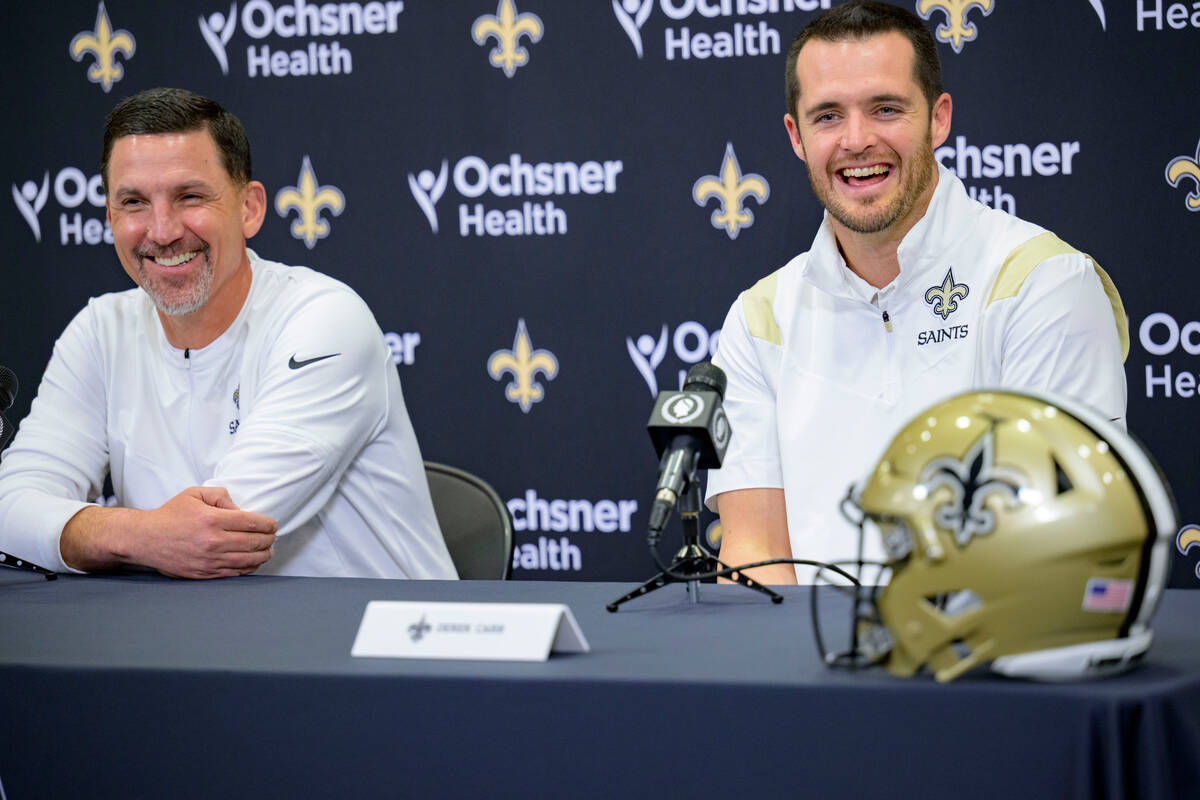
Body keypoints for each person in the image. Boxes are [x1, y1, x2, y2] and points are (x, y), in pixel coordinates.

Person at [705, 2, 1127, 584]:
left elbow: (1062, 543)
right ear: (796, 137)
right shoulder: (759, 319)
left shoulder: (1043, 282)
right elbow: (753, 557)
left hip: (988, 664)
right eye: (827, 116)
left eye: (885, 109)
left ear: (938, 118)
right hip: (806, 668)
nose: (857, 140)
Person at [0, 88, 457, 580]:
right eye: (133, 202)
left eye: (189, 196)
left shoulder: (324, 319)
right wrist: (138, 535)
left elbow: (219, 534)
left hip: (380, 644)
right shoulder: (99, 331)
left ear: (249, 208)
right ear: (111, 219)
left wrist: (86, 531)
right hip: (194, 641)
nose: (162, 230)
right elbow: (9, 507)